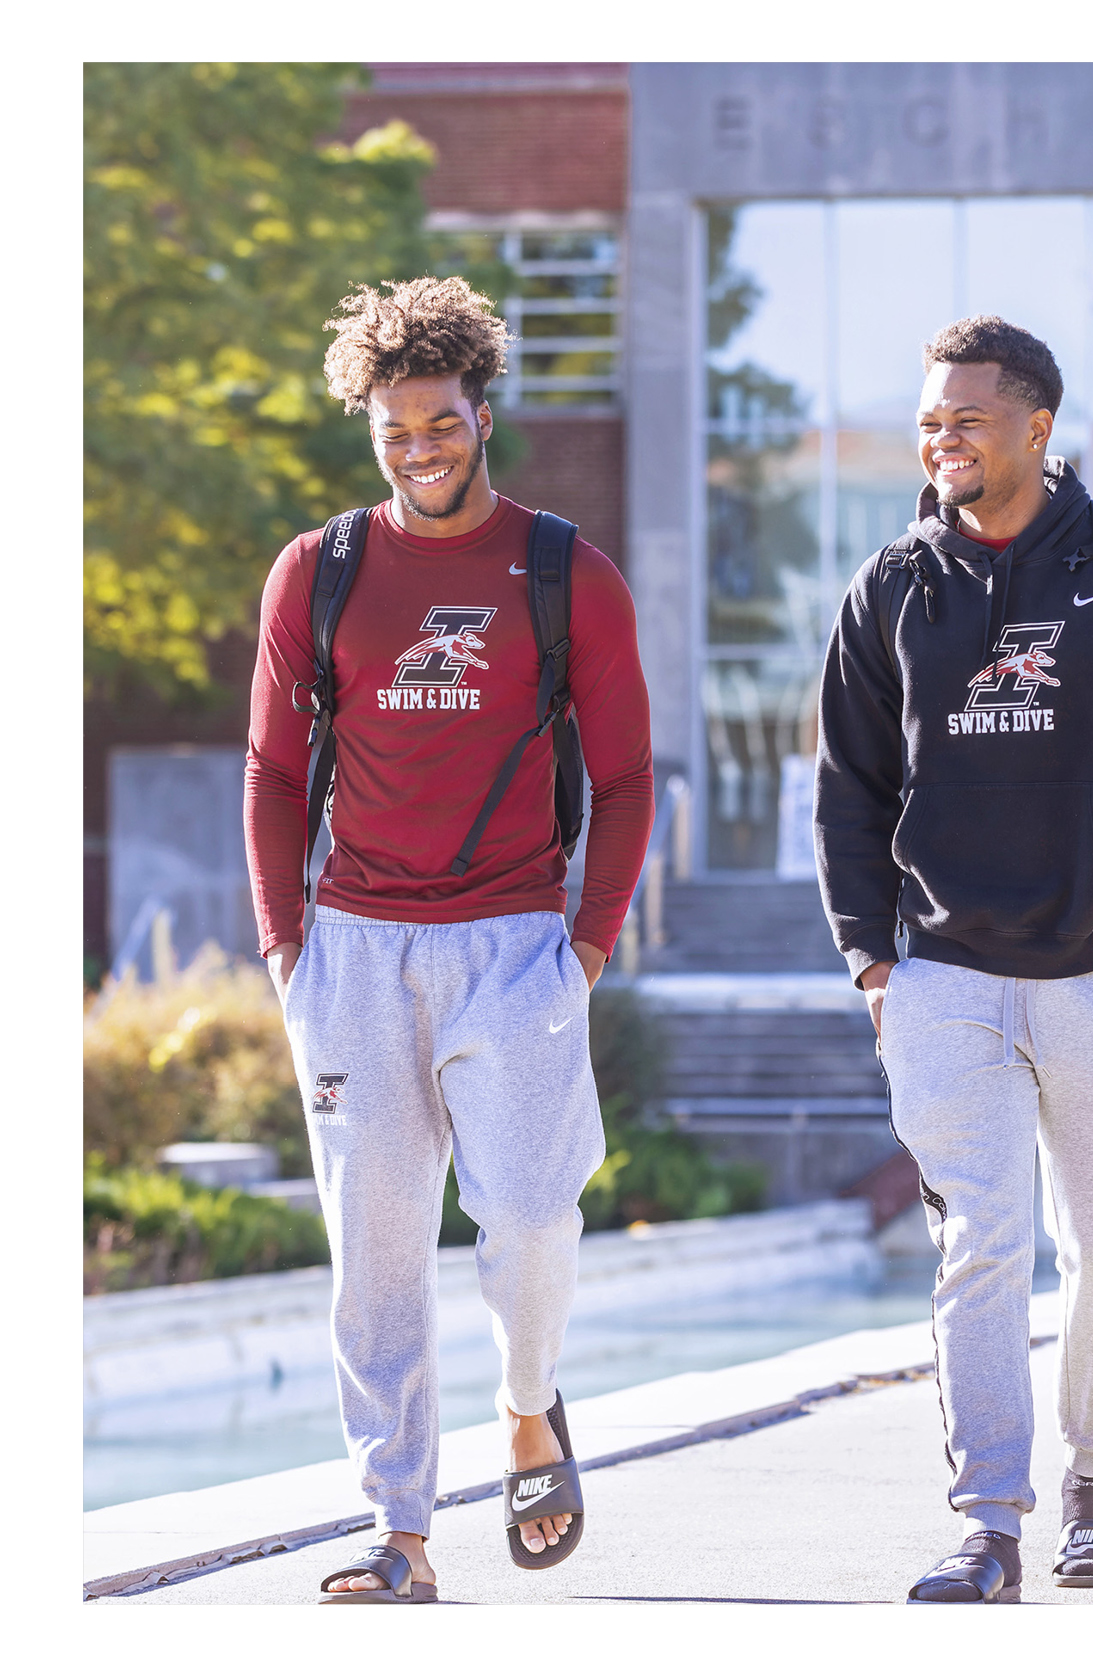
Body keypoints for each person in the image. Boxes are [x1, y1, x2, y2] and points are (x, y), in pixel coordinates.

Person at [815, 315, 1093, 1604]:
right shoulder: (893, 586)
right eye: (930, 418)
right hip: (943, 978)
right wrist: (874, 968)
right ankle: (986, 1523)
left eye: (969, 417)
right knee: (981, 1243)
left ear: (1039, 427)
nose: (943, 438)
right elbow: (846, 787)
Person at [243, 277, 653, 1603]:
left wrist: (585, 947)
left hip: (515, 945)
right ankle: (398, 1528)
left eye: (441, 422)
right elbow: (266, 769)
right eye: (395, 428)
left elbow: (633, 779)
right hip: (354, 948)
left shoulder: (563, 574)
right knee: (376, 1249)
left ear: (483, 412)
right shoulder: (321, 570)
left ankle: (529, 1402)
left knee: (531, 1214)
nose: (420, 447)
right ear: (370, 427)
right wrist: (283, 952)